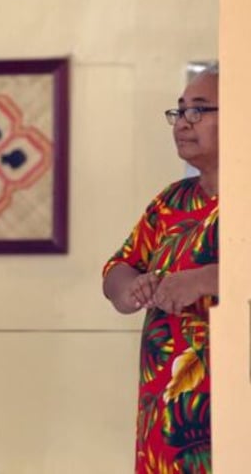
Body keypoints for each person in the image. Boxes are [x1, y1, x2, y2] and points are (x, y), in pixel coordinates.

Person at [102, 65, 219, 473]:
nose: (183, 123)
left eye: (199, 110)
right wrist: (131, 287)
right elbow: (120, 266)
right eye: (180, 111)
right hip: (165, 416)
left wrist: (203, 279)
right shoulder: (171, 201)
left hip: (225, 410)